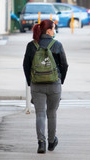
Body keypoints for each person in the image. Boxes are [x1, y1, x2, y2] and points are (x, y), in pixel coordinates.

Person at [23, 20, 68, 154]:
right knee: (52, 113)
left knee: (40, 114)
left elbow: (26, 65)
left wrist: (31, 82)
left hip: (37, 85)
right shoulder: (57, 45)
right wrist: (60, 80)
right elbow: (64, 65)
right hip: (54, 85)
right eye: (53, 29)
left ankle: (41, 143)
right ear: (48, 30)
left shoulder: (31, 45)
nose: (54, 31)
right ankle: (51, 142)